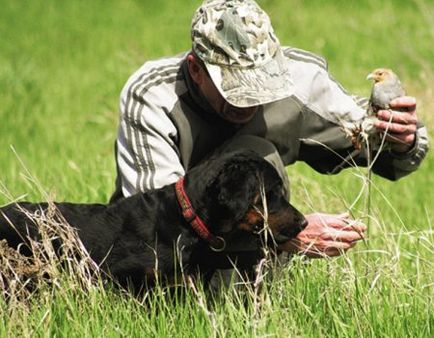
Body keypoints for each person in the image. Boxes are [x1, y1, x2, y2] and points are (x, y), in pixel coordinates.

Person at [110, 0, 428, 260]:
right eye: (234, 88)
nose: (248, 103)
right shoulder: (152, 95)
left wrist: (402, 139)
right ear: (196, 70)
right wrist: (284, 236)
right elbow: (157, 224)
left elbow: (382, 144)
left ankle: (254, 308)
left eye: (260, 85)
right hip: (157, 267)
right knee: (252, 154)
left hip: (252, 270)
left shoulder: (300, 80)